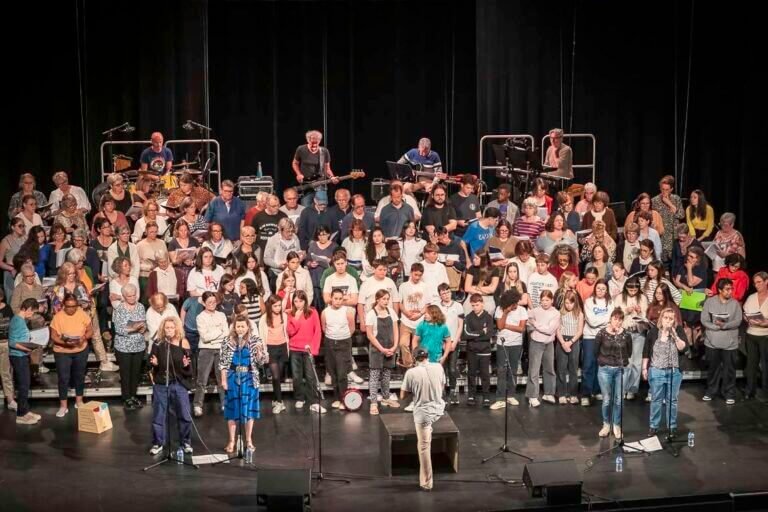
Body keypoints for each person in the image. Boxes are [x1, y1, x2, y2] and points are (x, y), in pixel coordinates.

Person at [219, 314, 269, 454]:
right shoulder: (227, 341)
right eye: (238, 326)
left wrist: (259, 351)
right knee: (232, 411)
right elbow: (222, 363)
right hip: (233, 377)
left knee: (249, 411)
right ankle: (232, 440)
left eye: (243, 326)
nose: (240, 329)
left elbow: (261, 361)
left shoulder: (255, 340)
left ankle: (248, 440)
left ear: (248, 327)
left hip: (249, 378)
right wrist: (223, 380)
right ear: (234, 327)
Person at [400, 346, 445, 492]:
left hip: (423, 415)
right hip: (439, 409)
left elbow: (402, 396)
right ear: (427, 356)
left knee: (424, 447)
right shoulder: (438, 366)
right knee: (429, 426)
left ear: (414, 358)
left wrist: (413, 381)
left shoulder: (411, 373)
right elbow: (442, 386)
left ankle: (427, 483)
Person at [148, 316, 194, 456]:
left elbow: (190, 368)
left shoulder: (183, 343)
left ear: (176, 328)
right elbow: (150, 364)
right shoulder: (158, 343)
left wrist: (187, 365)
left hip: (178, 384)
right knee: (159, 416)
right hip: (162, 384)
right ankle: (158, 443)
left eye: (172, 327)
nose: (169, 330)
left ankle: (185, 442)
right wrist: (153, 364)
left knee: (185, 415)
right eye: (167, 328)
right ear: (163, 329)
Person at [642, 308, 687, 438]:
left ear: (674, 320)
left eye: (671, 318)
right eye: (665, 317)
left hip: (674, 371)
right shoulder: (653, 332)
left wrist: (674, 335)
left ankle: (671, 426)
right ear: (661, 318)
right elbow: (646, 351)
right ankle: (653, 426)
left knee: (672, 400)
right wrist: (644, 368)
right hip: (656, 370)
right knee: (656, 399)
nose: (668, 320)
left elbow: (683, 347)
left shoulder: (677, 331)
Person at [50, 293, 92, 417]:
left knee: (79, 376)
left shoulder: (82, 314)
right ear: (64, 305)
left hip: (80, 349)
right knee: (63, 378)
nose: (71, 309)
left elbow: (90, 330)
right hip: (62, 351)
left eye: (74, 306)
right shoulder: (58, 317)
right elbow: (53, 336)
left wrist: (83, 337)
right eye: (68, 306)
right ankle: (63, 406)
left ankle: (79, 401)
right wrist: (65, 342)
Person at [700, 278, 741, 404]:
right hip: (712, 341)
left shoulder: (735, 304)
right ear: (719, 290)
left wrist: (725, 325)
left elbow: (738, 321)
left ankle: (729, 393)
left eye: (731, 289)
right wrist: (716, 326)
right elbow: (704, 319)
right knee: (713, 368)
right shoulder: (710, 302)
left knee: (729, 370)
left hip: (729, 343)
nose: (730, 292)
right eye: (727, 289)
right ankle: (711, 391)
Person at [595, 308, 632, 438]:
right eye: (615, 319)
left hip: (621, 370)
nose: (617, 322)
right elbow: (596, 351)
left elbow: (629, 351)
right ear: (610, 319)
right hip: (605, 369)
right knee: (606, 399)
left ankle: (616, 425)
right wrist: (602, 361)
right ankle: (606, 424)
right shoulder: (601, 333)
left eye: (620, 319)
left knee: (619, 399)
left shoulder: (626, 334)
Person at [287, 290, 325, 413]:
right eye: (296, 301)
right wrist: (296, 319)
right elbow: (290, 332)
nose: (298, 304)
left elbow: (317, 331)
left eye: (301, 301)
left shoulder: (312, 312)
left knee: (310, 376)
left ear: (305, 301)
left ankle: (313, 401)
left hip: (308, 349)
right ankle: (299, 398)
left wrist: (314, 349)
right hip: (295, 349)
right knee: (297, 376)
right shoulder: (290, 314)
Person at [491, 289, 527, 409]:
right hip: (503, 344)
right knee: (501, 370)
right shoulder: (500, 309)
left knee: (513, 369)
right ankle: (500, 398)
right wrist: (505, 313)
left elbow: (521, 329)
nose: (516, 305)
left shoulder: (522, 310)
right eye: (513, 303)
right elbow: (500, 326)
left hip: (516, 344)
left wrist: (507, 325)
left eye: (517, 302)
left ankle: (511, 395)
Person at [614, 276, 649, 400]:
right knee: (625, 361)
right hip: (625, 332)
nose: (632, 292)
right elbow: (616, 314)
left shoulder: (643, 298)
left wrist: (640, 312)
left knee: (636, 362)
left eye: (635, 290)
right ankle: (622, 388)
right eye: (630, 290)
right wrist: (626, 311)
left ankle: (632, 389)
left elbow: (646, 317)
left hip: (638, 332)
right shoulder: (619, 297)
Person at [8, 298, 42, 425]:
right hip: (18, 356)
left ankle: (25, 411)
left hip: (22, 355)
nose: (32, 315)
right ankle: (21, 415)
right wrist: (27, 349)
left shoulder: (21, 320)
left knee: (26, 384)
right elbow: (12, 342)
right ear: (27, 309)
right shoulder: (17, 320)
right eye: (32, 312)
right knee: (23, 385)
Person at [113, 283, 147, 410]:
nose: (133, 298)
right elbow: (118, 329)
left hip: (138, 345)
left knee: (135, 373)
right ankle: (126, 398)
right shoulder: (120, 309)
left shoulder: (141, 307)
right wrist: (133, 328)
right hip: (124, 347)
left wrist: (142, 328)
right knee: (126, 373)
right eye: (129, 296)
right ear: (124, 296)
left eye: (134, 295)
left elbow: (143, 324)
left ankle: (133, 396)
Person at [194, 291, 228, 416]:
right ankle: (198, 405)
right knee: (202, 379)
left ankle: (225, 403)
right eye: (209, 302)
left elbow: (226, 333)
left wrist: (216, 333)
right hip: (206, 350)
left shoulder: (221, 315)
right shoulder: (200, 317)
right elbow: (205, 337)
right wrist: (219, 330)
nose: (212, 304)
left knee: (222, 379)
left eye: (214, 302)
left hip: (221, 349)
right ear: (203, 303)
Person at [321, 289, 356, 410]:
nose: (338, 301)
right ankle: (336, 398)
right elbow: (324, 328)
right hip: (330, 342)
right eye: (335, 298)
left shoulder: (348, 311)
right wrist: (333, 338)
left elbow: (351, 328)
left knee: (342, 373)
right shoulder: (325, 312)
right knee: (333, 372)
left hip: (344, 343)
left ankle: (343, 399)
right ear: (331, 298)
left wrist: (342, 338)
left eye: (340, 298)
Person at [366, 290, 399, 415]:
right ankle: (374, 403)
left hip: (390, 348)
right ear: (378, 299)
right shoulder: (371, 314)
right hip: (377, 349)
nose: (386, 301)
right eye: (384, 299)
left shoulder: (391, 312)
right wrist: (381, 349)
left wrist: (394, 346)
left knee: (386, 375)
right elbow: (370, 335)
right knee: (374, 376)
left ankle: (386, 398)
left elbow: (396, 330)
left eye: (387, 299)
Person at [581, 280, 612, 406]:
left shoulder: (610, 302)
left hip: (604, 337)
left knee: (601, 365)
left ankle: (597, 390)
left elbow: (611, 319)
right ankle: (586, 394)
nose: (600, 291)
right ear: (595, 289)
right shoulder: (589, 302)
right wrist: (604, 321)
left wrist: (602, 320)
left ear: (606, 290)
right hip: (590, 337)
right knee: (588, 364)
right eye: (598, 288)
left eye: (603, 289)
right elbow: (591, 322)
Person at [527, 289, 560, 407]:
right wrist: (533, 328)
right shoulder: (534, 311)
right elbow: (528, 324)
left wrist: (536, 324)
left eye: (547, 300)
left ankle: (549, 393)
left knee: (549, 368)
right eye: (542, 300)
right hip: (536, 342)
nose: (544, 302)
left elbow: (550, 330)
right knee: (534, 370)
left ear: (552, 300)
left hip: (549, 343)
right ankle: (532, 396)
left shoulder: (556, 313)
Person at [461, 293, 495, 407]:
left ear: (482, 304)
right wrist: (481, 332)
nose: (475, 307)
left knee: (485, 375)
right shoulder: (468, 317)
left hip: (485, 351)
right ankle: (471, 395)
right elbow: (465, 335)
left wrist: (476, 336)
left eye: (477, 304)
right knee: (471, 374)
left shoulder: (488, 317)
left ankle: (486, 396)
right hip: (472, 351)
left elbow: (489, 334)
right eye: (473, 305)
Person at [259, 295, 289, 414]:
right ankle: (280, 402)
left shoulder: (284, 316)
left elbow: (286, 331)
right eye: (275, 306)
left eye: (279, 305)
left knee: (279, 376)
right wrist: (264, 350)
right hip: (270, 348)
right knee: (275, 376)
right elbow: (261, 336)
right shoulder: (264, 318)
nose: (278, 308)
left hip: (282, 347)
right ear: (270, 306)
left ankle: (276, 398)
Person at [292, 129, 338, 207]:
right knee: (306, 208)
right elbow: (295, 163)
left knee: (322, 207)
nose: (314, 145)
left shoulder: (324, 151)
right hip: (306, 184)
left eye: (317, 141)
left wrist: (332, 177)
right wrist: (298, 174)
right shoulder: (301, 149)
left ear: (319, 141)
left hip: (320, 183)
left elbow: (327, 169)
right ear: (308, 140)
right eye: (312, 142)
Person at [437, 283, 464, 405]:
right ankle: (441, 391)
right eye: (443, 293)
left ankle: (452, 390)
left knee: (452, 368)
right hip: (441, 342)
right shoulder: (437, 307)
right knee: (440, 368)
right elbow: (436, 325)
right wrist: (441, 341)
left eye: (448, 292)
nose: (446, 295)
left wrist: (456, 340)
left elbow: (460, 326)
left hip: (453, 341)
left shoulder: (458, 306)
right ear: (440, 295)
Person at [555, 290, 584, 405]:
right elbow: (557, 329)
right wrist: (563, 342)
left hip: (574, 341)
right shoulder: (560, 313)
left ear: (575, 302)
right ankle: (561, 394)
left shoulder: (579, 314)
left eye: (570, 303)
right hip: (562, 340)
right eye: (566, 303)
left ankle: (573, 394)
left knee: (573, 369)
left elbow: (580, 330)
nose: (568, 305)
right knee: (561, 369)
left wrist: (570, 342)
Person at [744, 272, 768, 400]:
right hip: (751, 334)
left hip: (765, 336)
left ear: (766, 281)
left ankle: (766, 392)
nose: (756, 285)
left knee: (766, 365)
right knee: (751, 364)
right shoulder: (751, 297)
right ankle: (750, 390)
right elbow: (745, 313)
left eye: (759, 282)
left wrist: (765, 323)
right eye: (755, 283)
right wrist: (747, 319)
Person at [651, 175, 684, 262]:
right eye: (662, 189)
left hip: (674, 235)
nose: (664, 192)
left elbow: (681, 215)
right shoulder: (654, 201)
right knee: (662, 261)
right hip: (661, 235)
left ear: (671, 189)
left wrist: (669, 203)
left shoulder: (676, 199)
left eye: (667, 189)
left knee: (675, 260)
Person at [251, 194, 287, 259]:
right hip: (261, 251)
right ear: (267, 205)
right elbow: (253, 234)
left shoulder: (283, 216)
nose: (277, 208)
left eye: (278, 205)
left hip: (277, 251)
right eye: (273, 206)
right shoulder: (258, 216)